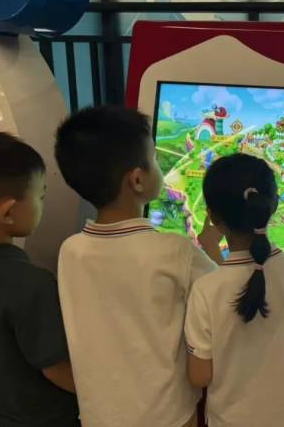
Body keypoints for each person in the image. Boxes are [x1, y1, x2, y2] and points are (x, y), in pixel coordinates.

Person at [54, 106, 221, 427]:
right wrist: (212, 247)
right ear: (138, 179)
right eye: (155, 159)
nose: (159, 166)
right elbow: (223, 293)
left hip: (99, 416)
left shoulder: (70, 251)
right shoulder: (175, 251)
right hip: (167, 417)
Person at [184, 153, 284, 427]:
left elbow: (200, 376)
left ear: (212, 216)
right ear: (273, 205)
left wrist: (211, 250)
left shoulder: (206, 289)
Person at [0, 132, 78, 427]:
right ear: (8, 212)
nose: (43, 204)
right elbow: (56, 369)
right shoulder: (32, 284)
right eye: (40, 197)